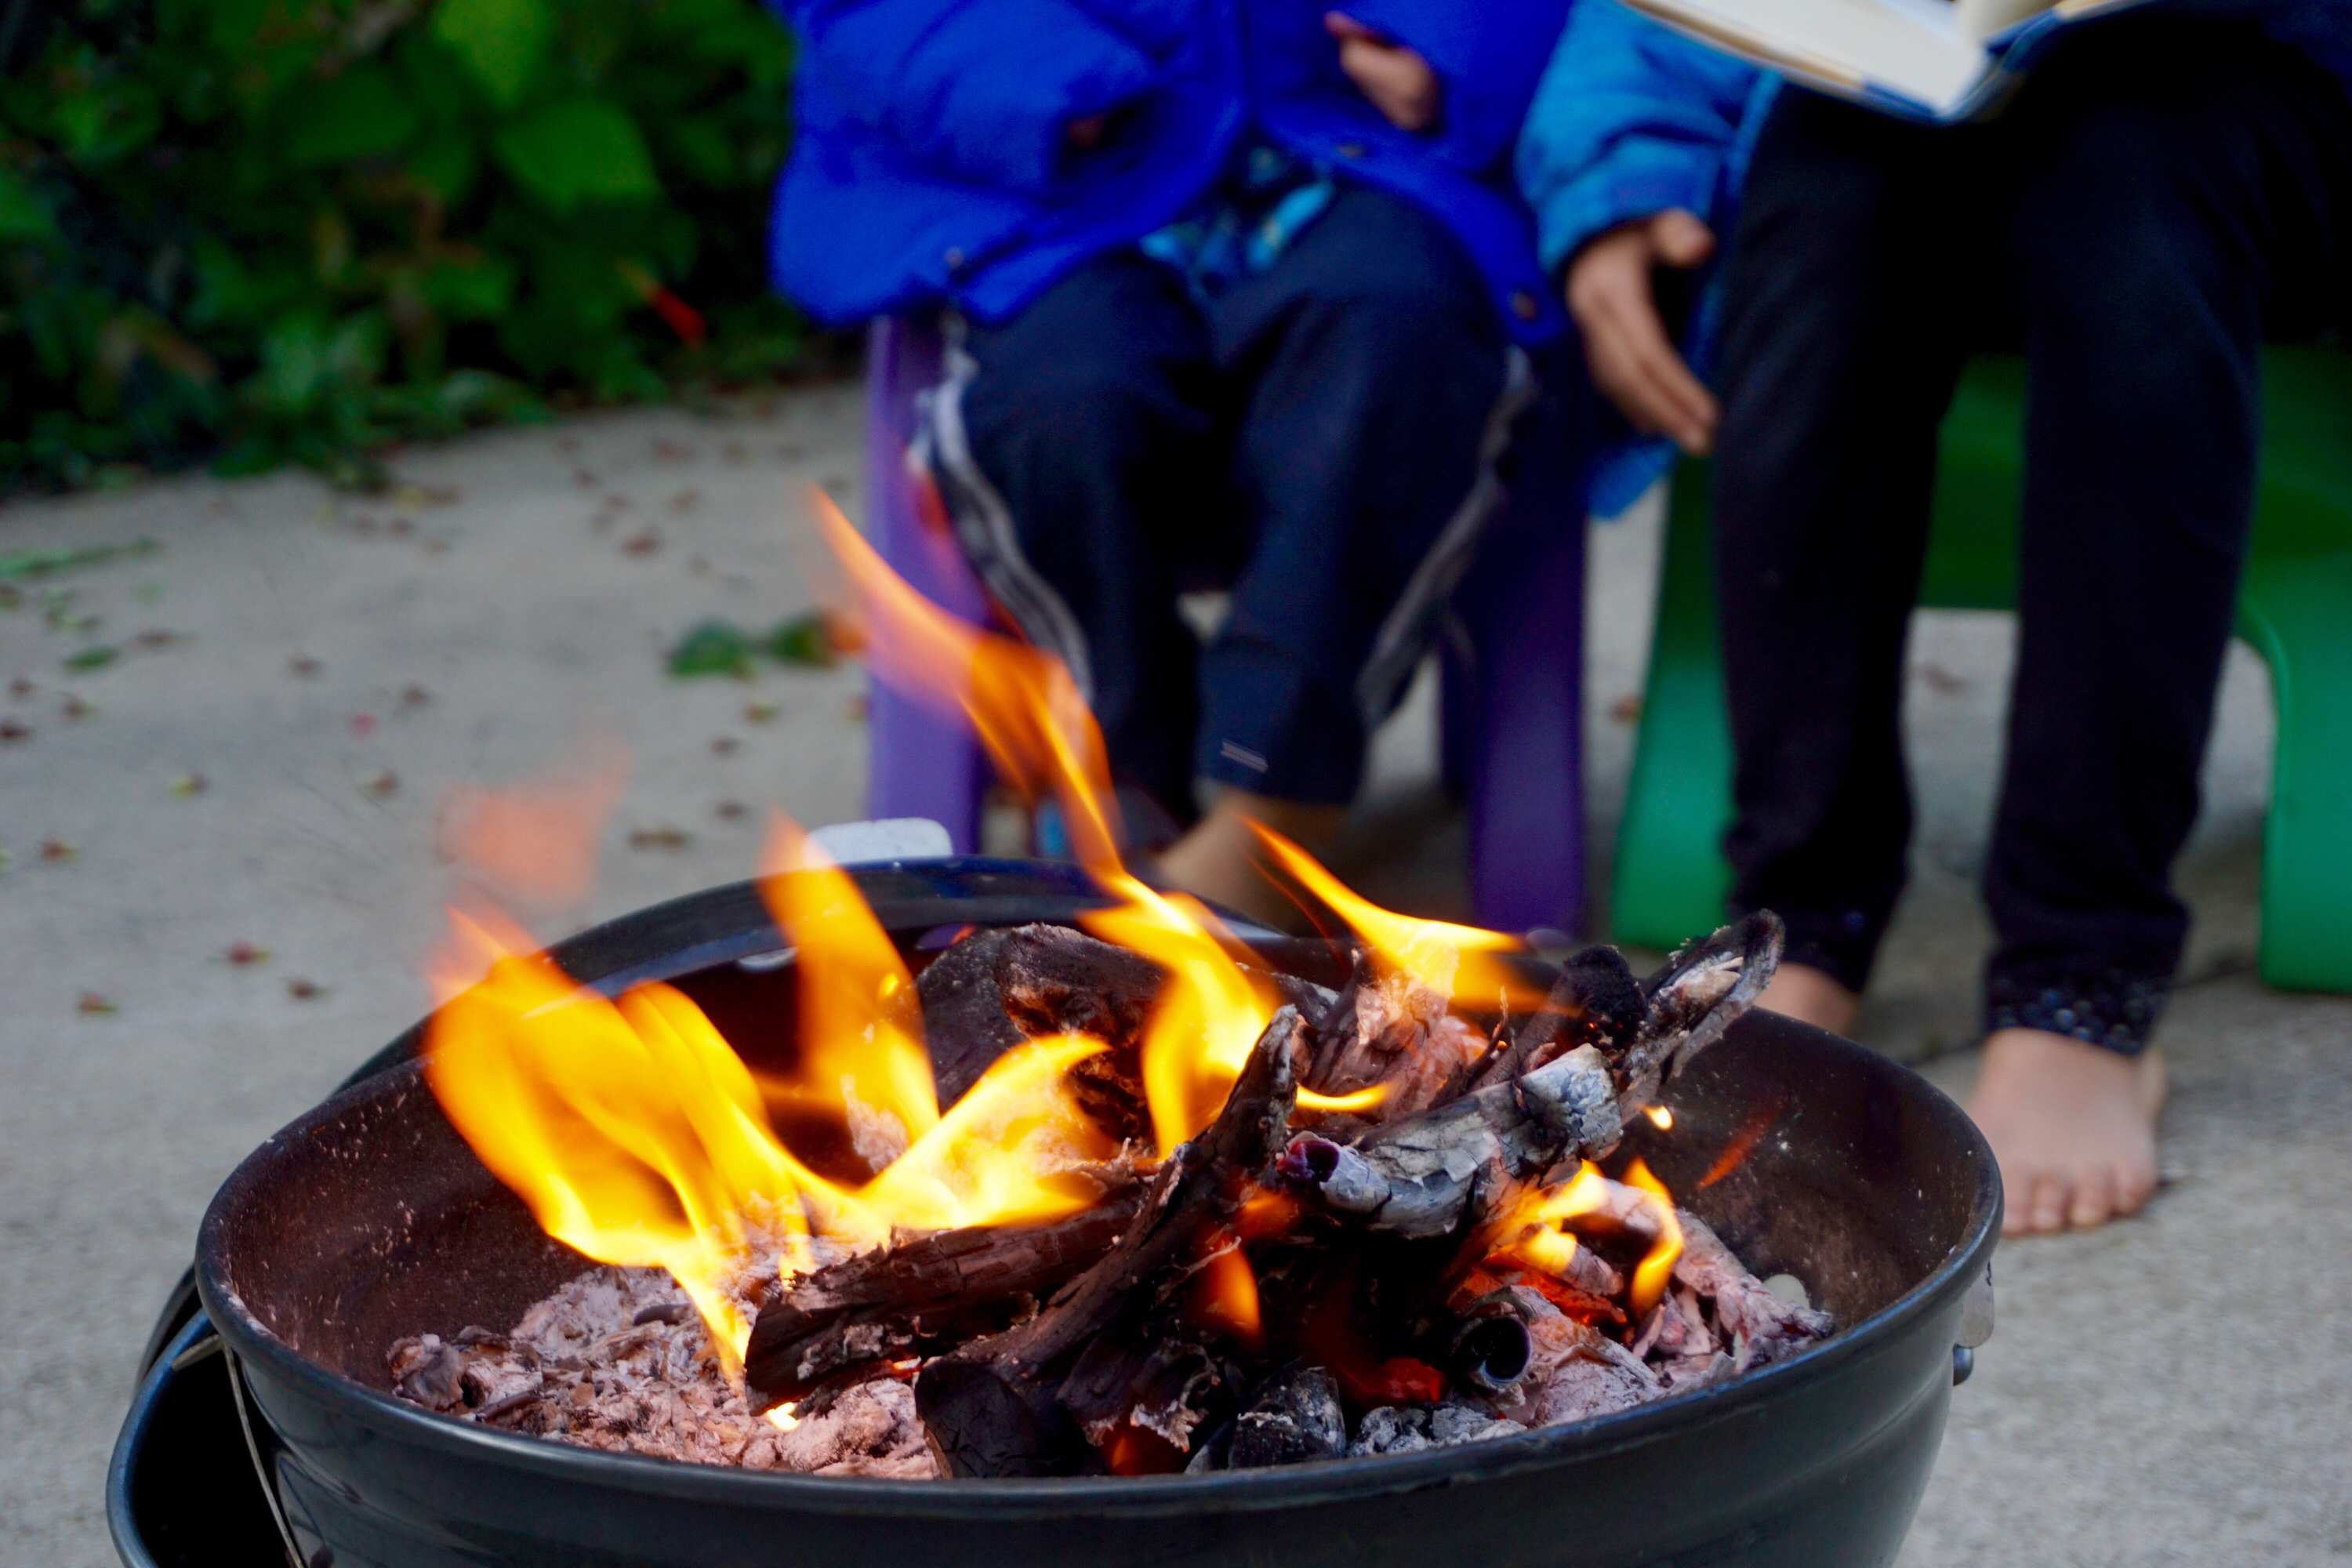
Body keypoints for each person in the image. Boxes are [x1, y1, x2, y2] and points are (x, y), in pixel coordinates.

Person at [1516, 1, 2351, 1233]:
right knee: (1824, 181)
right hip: (1918, 88)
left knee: (2131, 170)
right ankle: (1798, 916)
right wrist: (1621, 175)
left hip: (2239, 118)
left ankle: (2081, 978)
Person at [768, 2, 1573, 923]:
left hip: (1349, 149)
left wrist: (1454, 43)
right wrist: (1030, 81)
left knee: (1405, 342)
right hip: (1044, 185)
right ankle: (1121, 789)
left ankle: (1270, 804)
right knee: (1058, 412)